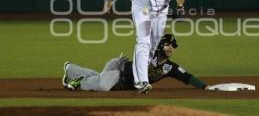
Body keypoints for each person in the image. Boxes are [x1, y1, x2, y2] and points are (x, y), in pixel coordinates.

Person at [102, 0, 187, 92]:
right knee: (143, 41)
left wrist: (180, 7)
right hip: (143, 10)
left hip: (161, 12)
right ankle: (141, 81)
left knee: (153, 46)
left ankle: (140, 74)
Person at [63, 34, 209, 93]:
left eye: (172, 45)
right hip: (119, 70)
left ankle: (70, 69)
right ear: (159, 46)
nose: (170, 47)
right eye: (167, 44)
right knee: (103, 85)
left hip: (120, 80)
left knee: (100, 78)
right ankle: (80, 80)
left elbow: (187, 77)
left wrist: (205, 86)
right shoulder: (148, 53)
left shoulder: (169, 68)